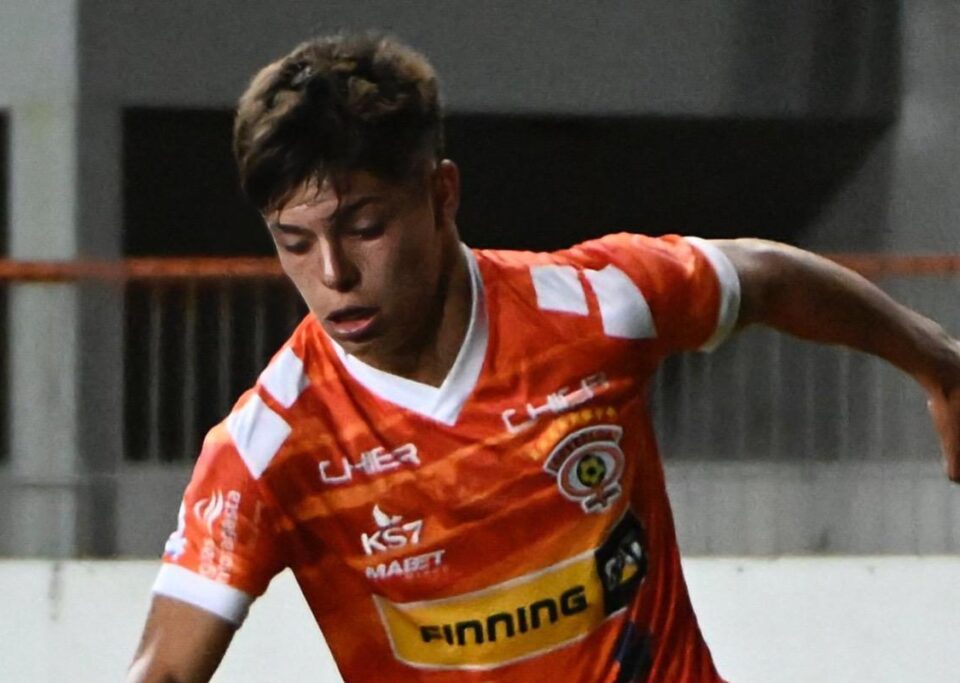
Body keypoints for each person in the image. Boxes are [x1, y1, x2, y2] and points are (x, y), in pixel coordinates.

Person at [126, 33, 960, 683]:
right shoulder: (272, 445)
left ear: (441, 193)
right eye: (294, 243)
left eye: (365, 226)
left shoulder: (597, 307)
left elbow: (767, 278)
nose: (333, 274)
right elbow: (162, 667)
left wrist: (940, 364)